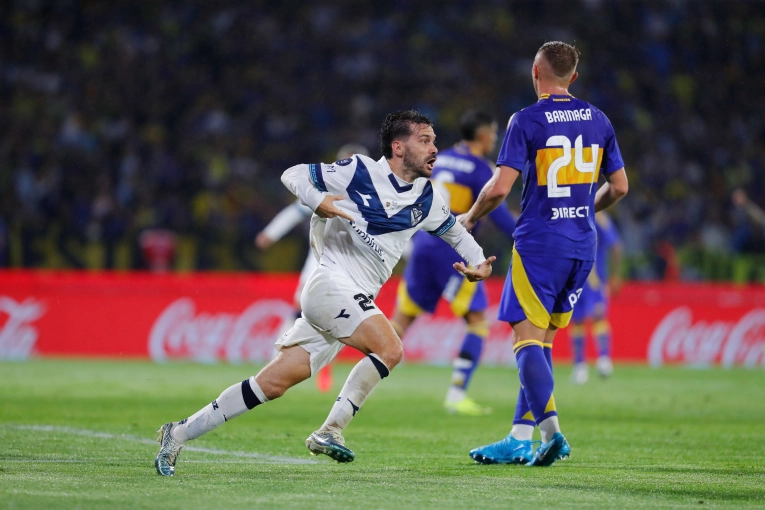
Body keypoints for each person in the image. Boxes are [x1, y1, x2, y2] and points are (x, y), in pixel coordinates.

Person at [154, 110, 496, 475]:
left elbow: (456, 233)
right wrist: (317, 200)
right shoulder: (359, 170)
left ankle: (178, 433)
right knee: (391, 348)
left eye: (434, 141)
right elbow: (293, 174)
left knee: (271, 384)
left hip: (352, 299)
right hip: (330, 285)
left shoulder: (426, 198)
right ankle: (330, 430)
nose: (434, 149)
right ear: (399, 147)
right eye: (425, 141)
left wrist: (479, 262)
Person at [458, 41, 628, 467]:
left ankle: (551, 433)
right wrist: (584, 209)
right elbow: (621, 186)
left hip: (540, 244)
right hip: (582, 245)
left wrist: (471, 217)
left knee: (525, 338)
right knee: (543, 340)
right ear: (573, 77)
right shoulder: (599, 119)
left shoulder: (526, 120)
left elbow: (499, 187)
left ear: (536, 73)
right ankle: (519, 437)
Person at [390, 110, 516, 416]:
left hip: (422, 243)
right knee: (476, 322)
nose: (496, 138)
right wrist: (522, 236)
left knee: (402, 320)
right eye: (494, 133)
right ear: (484, 135)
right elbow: (498, 214)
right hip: (451, 249)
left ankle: (361, 379)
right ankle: (457, 394)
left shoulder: (440, 158)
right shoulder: (479, 168)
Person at [255, 143, 370, 392]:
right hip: (319, 260)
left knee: (338, 315)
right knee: (301, 308)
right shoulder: (324, 189)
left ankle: (322, 366)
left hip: (353, 266)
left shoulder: (372, 196)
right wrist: (270, 234)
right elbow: (294, 212)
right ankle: (277, 360)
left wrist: (411, 252)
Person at [570, 211, 622, 384]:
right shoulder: (571, 212)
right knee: (576, 320)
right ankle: (580, 366)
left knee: (598, 316)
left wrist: (615, 276)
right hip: (574, 277)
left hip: (594, 278)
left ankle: (603, 360)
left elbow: (616, 246)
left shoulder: (598, 216)